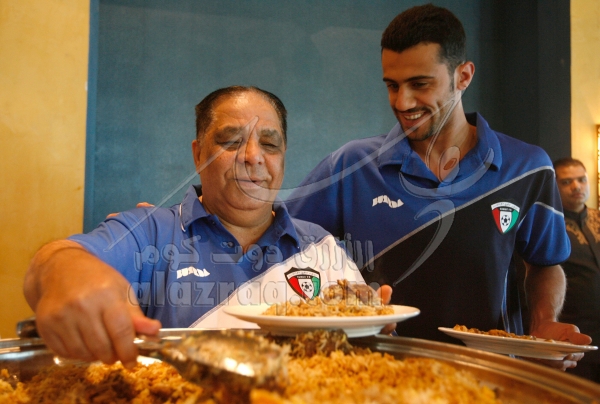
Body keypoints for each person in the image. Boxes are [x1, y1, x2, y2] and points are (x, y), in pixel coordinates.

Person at [285, 4, 591, 370]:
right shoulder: (351, 165)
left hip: (492, 376)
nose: (403, 102)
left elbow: (544, 263)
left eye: (420, 84)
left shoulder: (528, 167)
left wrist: (543, 323)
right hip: (377, 375)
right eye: (392, 86)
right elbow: (282, 240)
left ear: (463, 76)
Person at [23, 86, 392, 369]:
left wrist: (373, 329)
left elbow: (358, 351)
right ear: (198, 153)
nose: (253, 157)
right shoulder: (151, 233)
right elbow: (54, 261)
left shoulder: (321, 246)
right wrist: (66, 272)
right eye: (231, 141)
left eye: (269, 144)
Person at [554, 157, 600, 382]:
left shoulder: (598, 218)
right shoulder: (550, 226)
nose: (576, 186)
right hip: (576, 340)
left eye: (581, 180)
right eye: (566, 182)